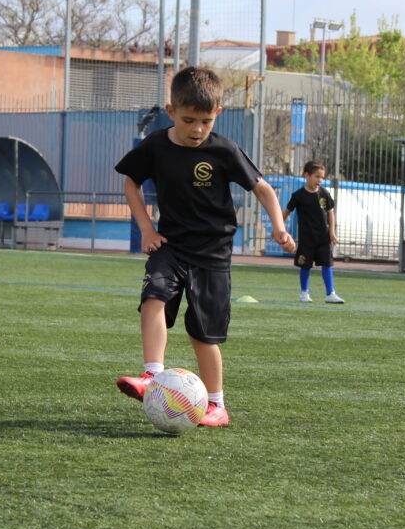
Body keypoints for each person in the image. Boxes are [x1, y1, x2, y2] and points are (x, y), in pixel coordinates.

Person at [114, 67, 295, 427]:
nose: (197, 129)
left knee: (203, 334)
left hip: (213, 253)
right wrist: (147, 229)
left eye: (206, 121)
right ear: (171, 112)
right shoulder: (155, 145)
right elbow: (131, 183)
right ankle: (152, 375)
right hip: (171, 245)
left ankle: (217, 405)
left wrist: (277, 225)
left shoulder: (224, 150)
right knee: (153, 298)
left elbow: (263, 188)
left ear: (218, 115)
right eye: (188, 120)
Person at [282, 161, 344, 304]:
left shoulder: (324, 194)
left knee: (327, 264)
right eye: (317, 177)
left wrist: (332, 233)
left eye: (322, 177)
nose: (320, 180)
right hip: (306, 239)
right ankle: (304, 293)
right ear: (307, 176)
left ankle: (330, 293)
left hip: (323, 237)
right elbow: (286, 212)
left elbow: (330, 214)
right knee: (305, 265)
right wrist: (279, 228)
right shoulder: (298, 195)